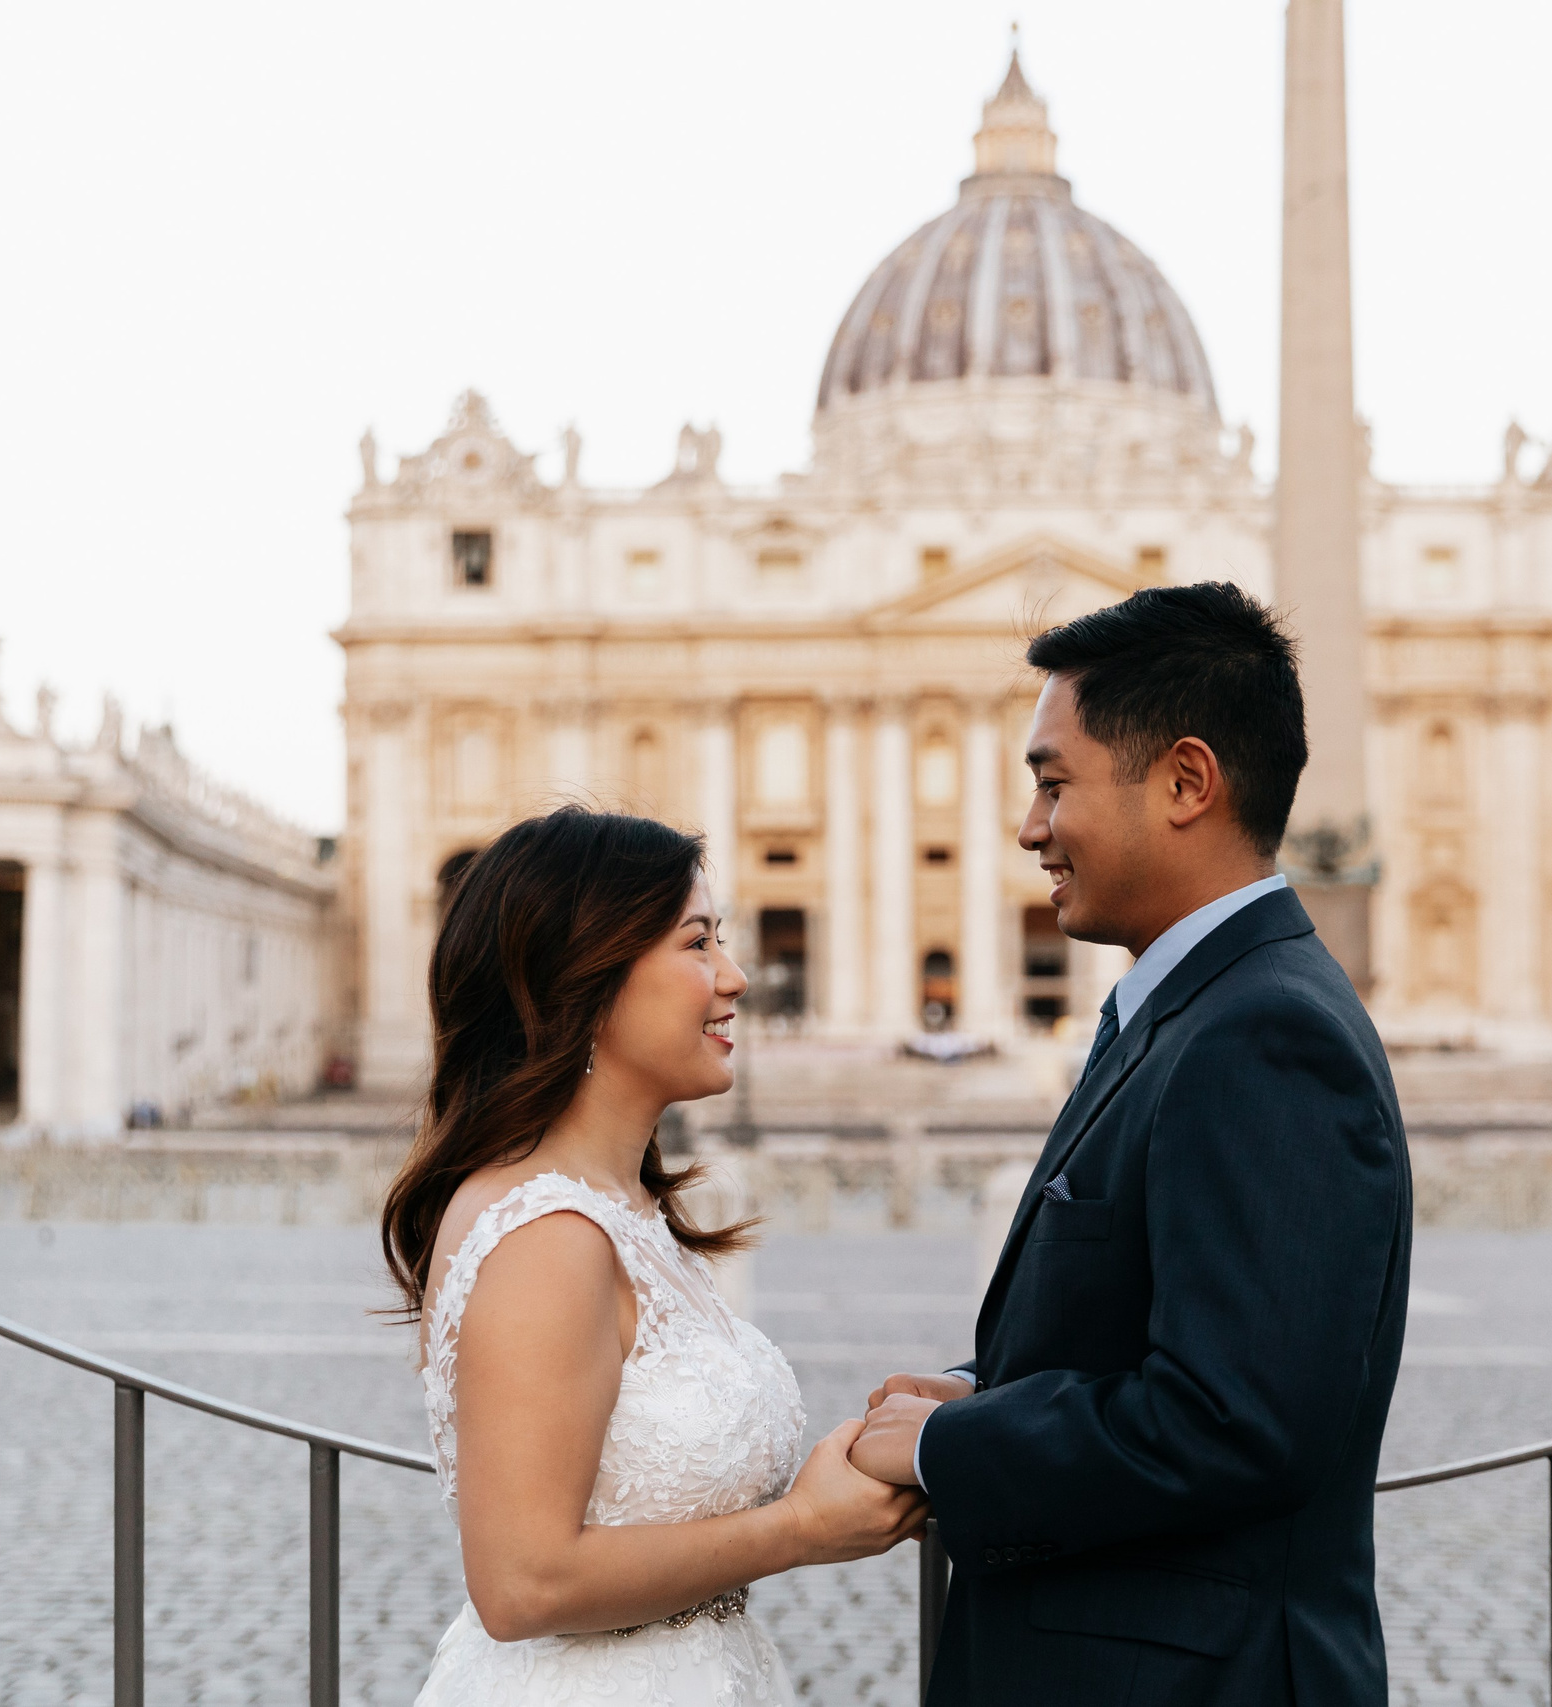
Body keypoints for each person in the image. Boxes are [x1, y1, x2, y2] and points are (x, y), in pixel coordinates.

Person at [852, 583, 1412, 1703]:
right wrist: (985, 1396)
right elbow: (1171, 1336)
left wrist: (937, 1453)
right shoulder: (1195, 1009)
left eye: (1052, 782)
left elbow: (1233, 1420)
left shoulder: (1262, 1034)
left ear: (1185, 782)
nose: (1029, 827)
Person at [384, 808, 926, 1706]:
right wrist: (797, 1527)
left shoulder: (622, 1210)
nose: (736, 977)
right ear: (584, 978)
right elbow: (523, 1583)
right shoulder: (547, 1235)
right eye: (699, 943)